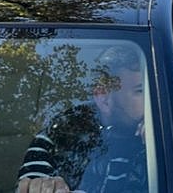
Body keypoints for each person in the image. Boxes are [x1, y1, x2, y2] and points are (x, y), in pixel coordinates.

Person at [16, 45, 147, 193]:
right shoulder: (57, 136)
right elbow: (32, 184)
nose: (153, 101)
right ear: (103, 98)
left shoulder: (158, 142)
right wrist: (46, 187)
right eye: (140, 91)